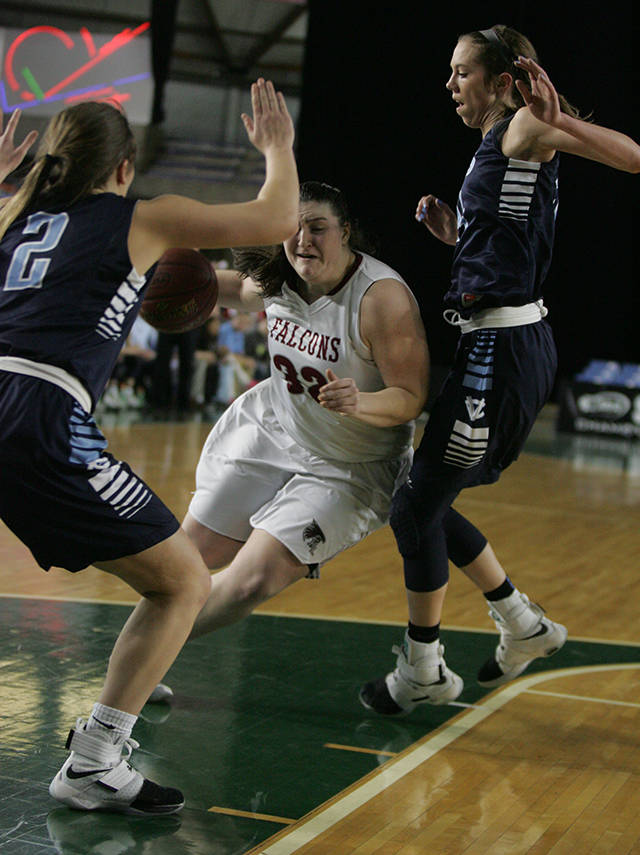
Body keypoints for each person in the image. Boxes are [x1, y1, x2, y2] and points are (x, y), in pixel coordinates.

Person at [0, 78, 298, 813]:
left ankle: (113, 723)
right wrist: (278, 148)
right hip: (40, 413)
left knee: (166, 578)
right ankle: (95, 760)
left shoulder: (18, 217)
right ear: (125, 168)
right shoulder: (143, 215)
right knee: (184, 582)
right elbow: (277, 217)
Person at [359, 24, 640, 716]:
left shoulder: (520, 129)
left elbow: (633, 157)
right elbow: (514, 236)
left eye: (461, 72)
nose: (449, 84)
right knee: (426, 501)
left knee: (415, 505)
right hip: (498, 344)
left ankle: (427, 664)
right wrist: (457, 233)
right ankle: (522, 622)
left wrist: (557, 117)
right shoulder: (500, 146)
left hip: (503, 354)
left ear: (502, 79)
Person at [149, 180, 428, 700]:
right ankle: (140, 665)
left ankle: (145, 657)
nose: (303, 240)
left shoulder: (380, 298)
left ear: (345, 232)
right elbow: (232, 289)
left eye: (318, 228)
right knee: (184, 562)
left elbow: (410, 396)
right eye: (294, 229)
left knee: (251, 581)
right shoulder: (280, 280)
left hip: (351, 464)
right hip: (276, 429)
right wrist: (157, 280)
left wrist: (361, 402)